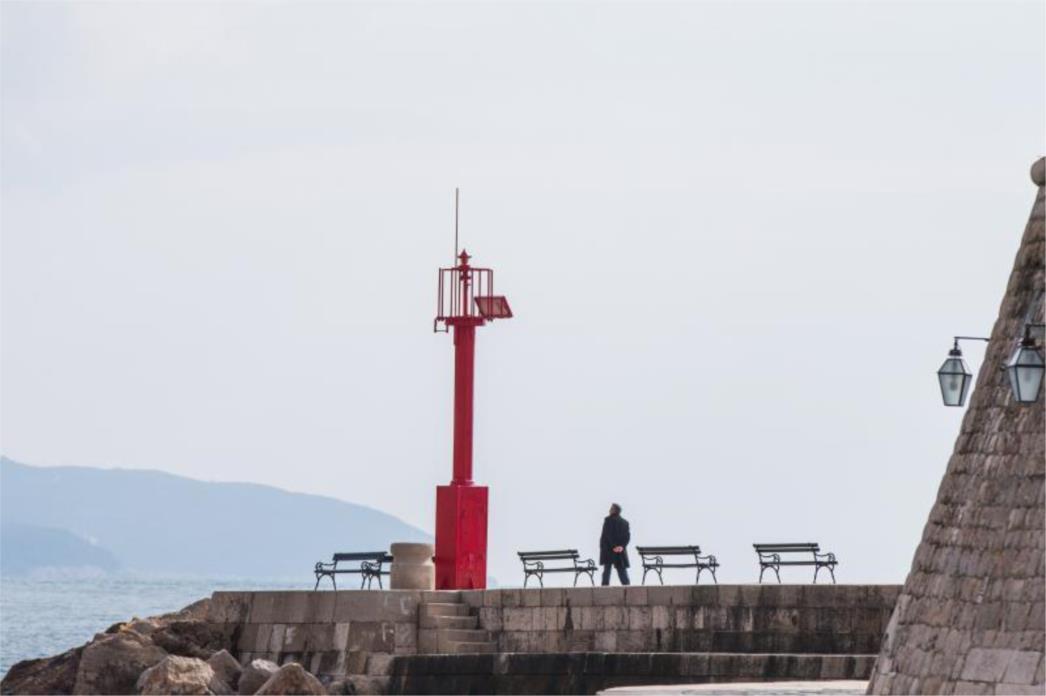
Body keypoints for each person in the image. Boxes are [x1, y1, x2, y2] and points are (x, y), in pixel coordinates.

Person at [599, 503, 631, 586]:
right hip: (620, 550)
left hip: (609, 549)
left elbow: (608, 535)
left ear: (614, 510)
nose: (609, 510)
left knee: (607, 570)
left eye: (610, 508)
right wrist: (621, 546)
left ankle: (604, 589)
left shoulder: (608, 520)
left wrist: (614, 546)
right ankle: (627, 587)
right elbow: (627, 537)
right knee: (621, 570)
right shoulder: (625, 522)